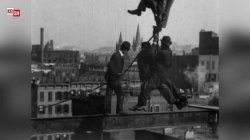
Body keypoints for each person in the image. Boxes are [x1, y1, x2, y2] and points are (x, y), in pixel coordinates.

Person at [129, 36, 188, 111]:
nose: (160, 44)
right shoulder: (169, 51)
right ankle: (179, 101)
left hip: (158, 76)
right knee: (167, 87)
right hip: (163, 75)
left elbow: (152, 57)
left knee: (146, 87)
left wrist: (153, 44)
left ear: (163, 44)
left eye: (161, 43)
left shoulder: (162, 53)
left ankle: (141, 105)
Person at [103, 41, 131, 115]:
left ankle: (106, 111)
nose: (127, 52)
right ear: (125, 49)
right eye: (128, 50)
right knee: (120, 93)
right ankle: (119, 110)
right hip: (114, 78)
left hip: (112, 78)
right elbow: (110, 65)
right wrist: (117, 73)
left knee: (109, 94)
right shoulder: (117, 55)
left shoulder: (118, 55)